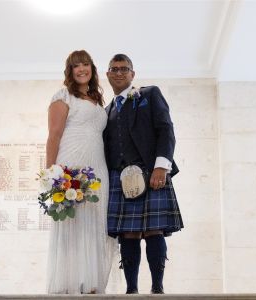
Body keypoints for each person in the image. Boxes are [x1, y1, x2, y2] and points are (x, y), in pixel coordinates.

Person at [104, 54, 184, 294]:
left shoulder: (149, 94)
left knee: (153, 229)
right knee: (127, 233)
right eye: (114, 69)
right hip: (119, 176)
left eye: (124, 69)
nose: (119, 73)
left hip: (150, 170)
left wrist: (161, 166)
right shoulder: (106, 111)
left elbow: (166, 130)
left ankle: (158, 288)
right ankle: (131, 290)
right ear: (107, 74)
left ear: (132, 74)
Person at [45, 50, 117, 294]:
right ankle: (69, 286)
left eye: (86, 64)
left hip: (98, 167)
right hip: (71, 164)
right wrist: (52, 175)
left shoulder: (98, 100)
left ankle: (92, 286)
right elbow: (53, 135)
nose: (82, 69)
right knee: (74, 225)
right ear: (70, 70)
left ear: (92, 68)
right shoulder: (63, 96)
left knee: (96, 223)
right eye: (76, 66)